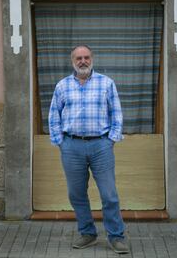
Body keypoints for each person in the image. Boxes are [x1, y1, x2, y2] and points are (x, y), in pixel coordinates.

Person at [48, 45, 129, 254]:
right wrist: (60, 142)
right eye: (78, 58)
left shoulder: (106, 83)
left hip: (100, 145)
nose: (82, 61)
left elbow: (116, 114)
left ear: (91, 59)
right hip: (71, 146)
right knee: (76, 194)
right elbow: (53, 116)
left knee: (109, 194)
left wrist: (110, 139)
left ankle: (116, 236)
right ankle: (88, 233)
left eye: (86, 57)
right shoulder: (62, 86)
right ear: (72, 61)